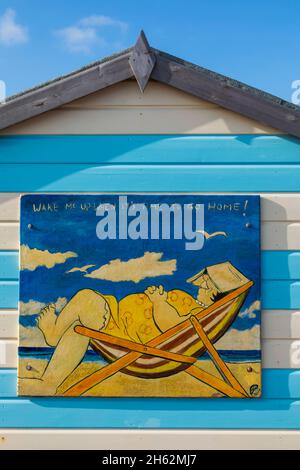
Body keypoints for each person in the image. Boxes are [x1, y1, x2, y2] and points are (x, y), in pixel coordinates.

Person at [18, 280, 218, 396]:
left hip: (127, 336)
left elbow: (172, 326)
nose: (202, 282)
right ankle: (49, 382)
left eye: (208, 281)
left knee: (86, 297)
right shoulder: (198, 309)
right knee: (77, 329)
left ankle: (53, 334)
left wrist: (158, 302)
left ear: (215, 291)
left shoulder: (198, 314)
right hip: (119, 320)